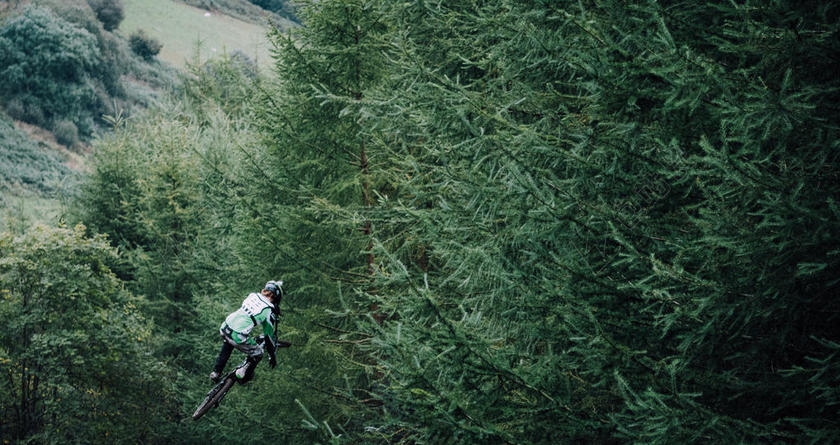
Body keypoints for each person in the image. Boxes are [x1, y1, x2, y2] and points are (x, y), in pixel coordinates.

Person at [209, 280, 283, 383]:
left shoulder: (252, 295)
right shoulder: (268, 311)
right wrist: (272, 356)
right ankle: (242, 374)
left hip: (225, 326)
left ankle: (216, 372)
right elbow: (268, 337)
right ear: (276, 298)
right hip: (237, 335)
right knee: (258, 353)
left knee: (228, 343)